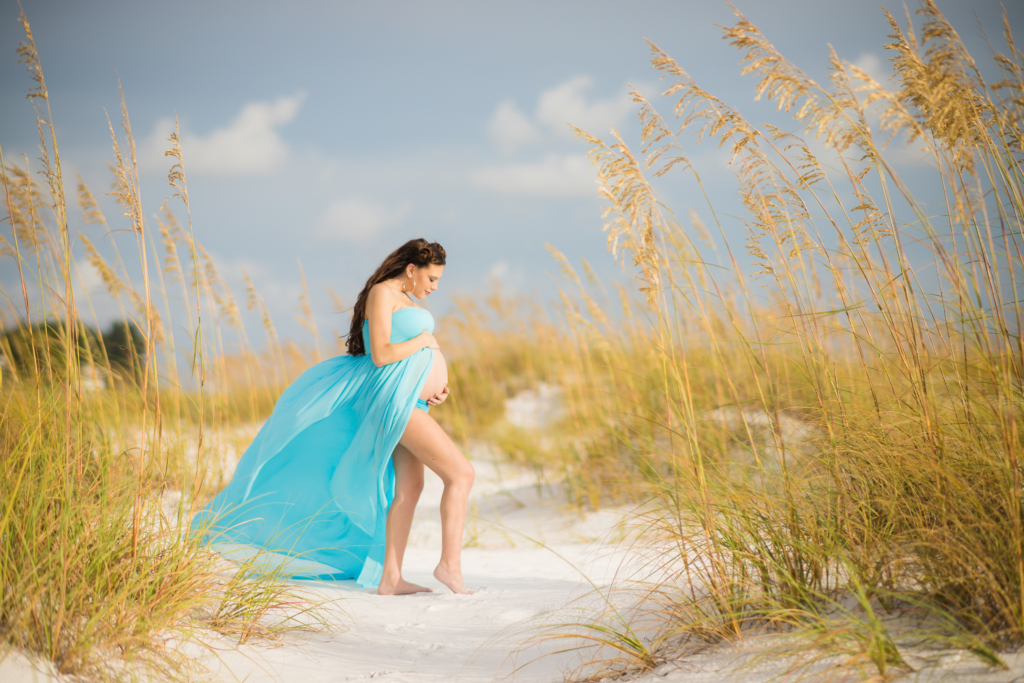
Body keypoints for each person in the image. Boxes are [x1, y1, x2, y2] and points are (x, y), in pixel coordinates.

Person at [191, 239, 475, 595]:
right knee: (462, 473)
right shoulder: (382, 293)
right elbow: (382, 355)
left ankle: (390, 578)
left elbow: (406, 362)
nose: (434, 288)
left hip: (413, 402)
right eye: (431, 279)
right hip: (394, 403)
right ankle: (449, 567)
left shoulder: (406, 299)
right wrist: (426, 341)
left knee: (410, 486)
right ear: (412, 269)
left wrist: (434, 387)